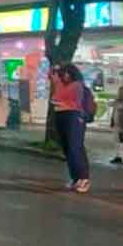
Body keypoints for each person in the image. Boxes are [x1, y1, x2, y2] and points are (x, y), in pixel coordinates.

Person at [50, 63, 92, 193]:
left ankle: (83, 178)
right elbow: (54, 96)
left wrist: (57, 84)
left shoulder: (77, 85)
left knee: (75, 147)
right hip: (61, 115)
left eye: (67, 73)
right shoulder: (60, 83)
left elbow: (63, 99)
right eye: (63, 73)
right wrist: (55, 71)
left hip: (73, 115)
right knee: (67, 148)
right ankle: (76, 178)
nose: (65, 75)